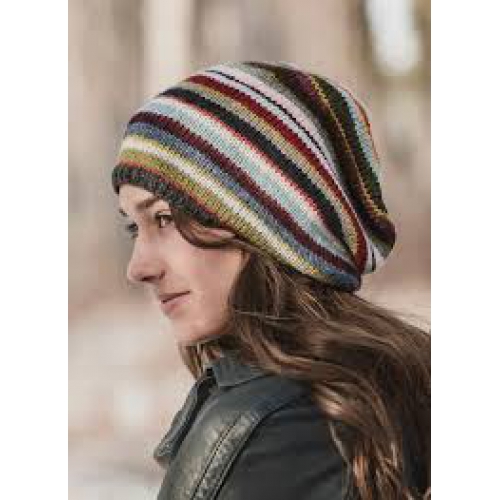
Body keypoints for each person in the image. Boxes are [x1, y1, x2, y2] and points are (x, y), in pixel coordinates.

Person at [112, 60, 431, 500]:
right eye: (134, 227)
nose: (138, 267)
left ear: (274, 226)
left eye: (164, 219)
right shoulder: (398, 375)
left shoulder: (269, 428)